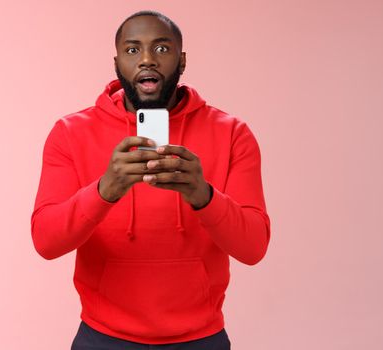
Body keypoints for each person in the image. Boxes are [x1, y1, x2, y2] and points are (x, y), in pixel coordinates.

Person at [31, 10, 271, 350]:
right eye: (132, 50)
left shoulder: (232, 133)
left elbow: (254, 247)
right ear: (116, 62)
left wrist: (204, 196)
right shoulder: (70, 133)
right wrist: (104, 191)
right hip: (103, 337)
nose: (147, 59)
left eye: (161, 49)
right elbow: (46, 241)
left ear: (182, 60)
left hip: (201, 339)